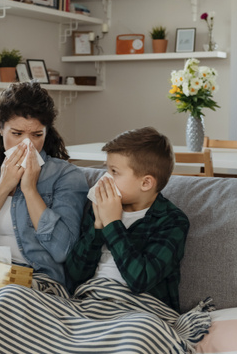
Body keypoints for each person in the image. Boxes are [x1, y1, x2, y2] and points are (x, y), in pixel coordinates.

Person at [0, 81, 89, 288]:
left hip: (37, 279)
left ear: (47, 133)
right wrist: (3, 186)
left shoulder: (66, 175)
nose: (27, 145)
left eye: (37, 135)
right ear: (1, 129)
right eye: (17, 134)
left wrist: (29, 189)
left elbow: (62, 250)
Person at [65, 127, 189, 311]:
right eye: (106, 169)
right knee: (13, 296)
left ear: (146, 183)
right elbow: (74, 276)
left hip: (140, 309)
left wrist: (112, 224)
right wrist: (98, 226)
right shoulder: (99, 207)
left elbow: (140, 280)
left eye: (114, 172)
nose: (104, 178)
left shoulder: (171, 221)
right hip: (91, 301)